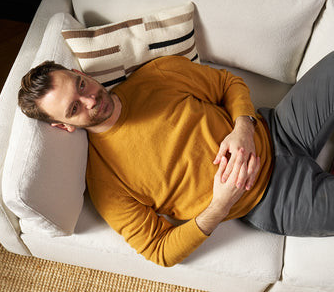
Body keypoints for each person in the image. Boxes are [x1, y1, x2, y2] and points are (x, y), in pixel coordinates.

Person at [18, 52, 334, 267]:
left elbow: (227, 83)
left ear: (78, 72)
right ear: (64, 126)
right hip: (270, 199)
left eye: (81, 85)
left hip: (279, 128)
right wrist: (219, 206)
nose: (90, 99)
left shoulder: (157, 74)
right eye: (74, 108)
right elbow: (160, 251)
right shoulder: (104, 181)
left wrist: (243, 127)